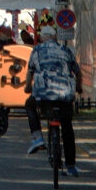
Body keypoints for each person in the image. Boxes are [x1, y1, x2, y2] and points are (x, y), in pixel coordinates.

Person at [29, 26, 81, 173]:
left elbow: (30, 73)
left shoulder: (36, 50)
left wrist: (28, 88)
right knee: (67, 127)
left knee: (29, 105)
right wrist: (78, 87)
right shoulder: (66, 50)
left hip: (43, 95)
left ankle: (37, 137)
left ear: (41, 37)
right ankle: (71, 165)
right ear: (55, 36)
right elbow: (77, 72)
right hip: (64, 94)